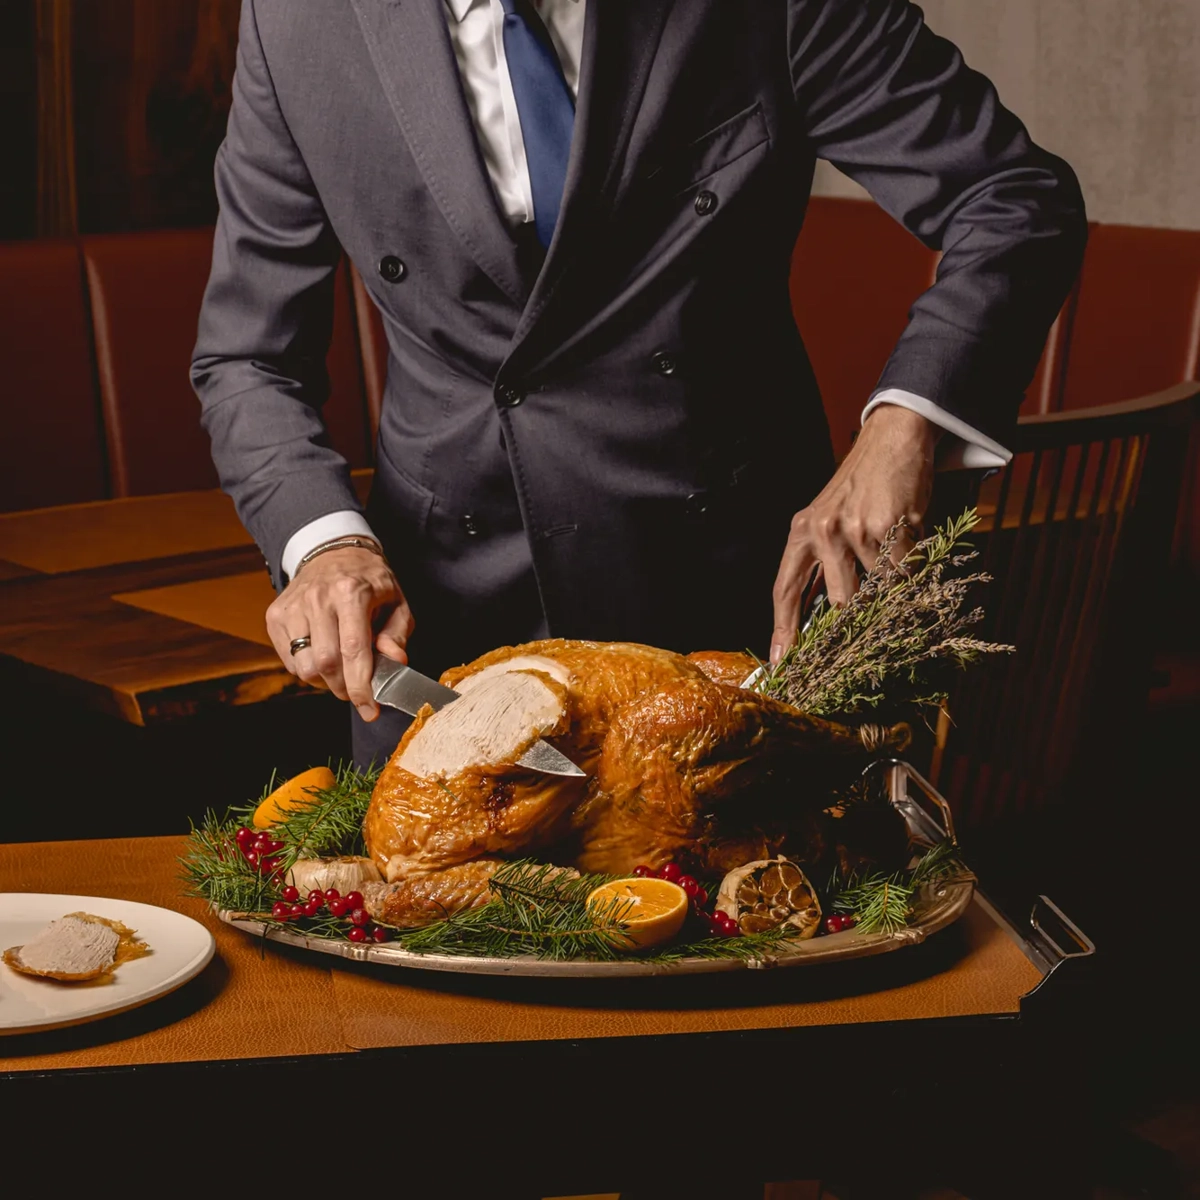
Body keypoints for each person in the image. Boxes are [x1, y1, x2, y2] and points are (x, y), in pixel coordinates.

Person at [192, 0, 1086, 771]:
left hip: (732, 627)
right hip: (446, 646)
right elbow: (247, 356)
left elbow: (1012, 197)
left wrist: (903, 427)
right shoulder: (299, 21)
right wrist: (322, 546)